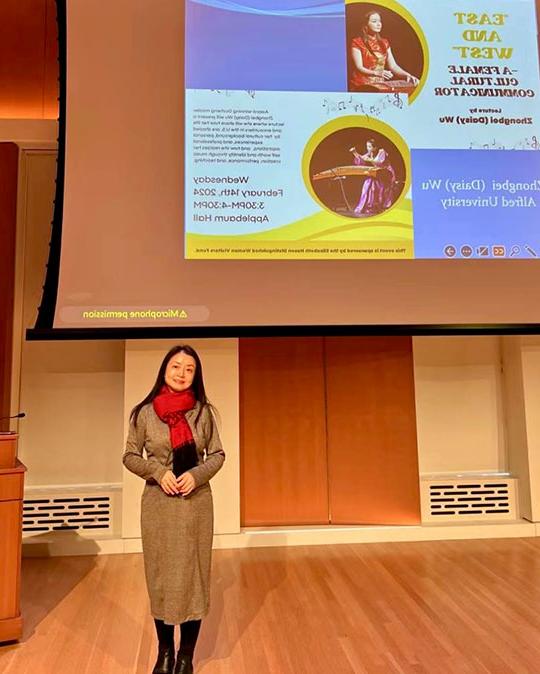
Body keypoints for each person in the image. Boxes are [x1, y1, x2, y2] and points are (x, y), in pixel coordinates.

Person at [123, 345, 225, 674]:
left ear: (196, 375)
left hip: (195, 504)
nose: (181, 373)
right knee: (161, 578)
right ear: (164, 369)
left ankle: (186, 656)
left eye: (189, 369)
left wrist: (194, 476)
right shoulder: (143, 413)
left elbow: (218, 455)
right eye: (176, 366)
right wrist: (157, 472)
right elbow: (129, 456)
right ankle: (164, 652)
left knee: (193, 576)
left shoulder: (203, 412)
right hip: (158, 505)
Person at [350, 10, 419, 91]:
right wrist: (377, 73)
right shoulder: (357, 42)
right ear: (365, 25)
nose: (379, 24)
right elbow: (359, 67)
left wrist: (407, 75)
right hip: (362, 85)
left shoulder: (384, 42)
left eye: (380, 21)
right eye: (374, 21)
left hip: (380, 85)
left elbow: (393, 66)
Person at [351, 139, 396, 215]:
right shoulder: (370, 153)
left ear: (375, 147)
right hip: (378, 173)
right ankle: (370, 206)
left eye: (369, 146)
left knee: (375, 185)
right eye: (367, 146)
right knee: (368, 183)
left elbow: (380, 162)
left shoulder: (382, 151)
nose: (368, 148)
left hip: (386, 173)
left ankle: (378, 206)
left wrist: (370, 159)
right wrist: (355, 153)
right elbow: (361, 160)